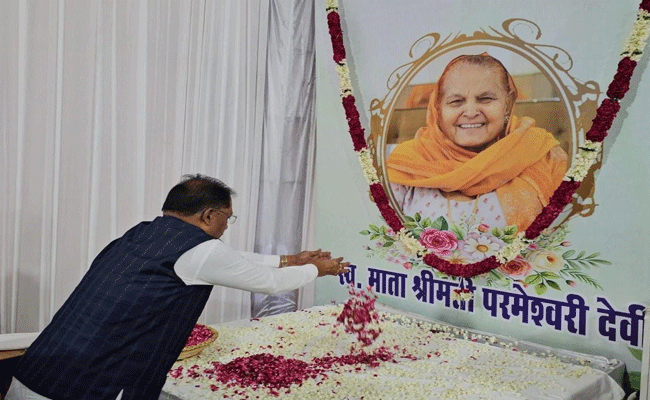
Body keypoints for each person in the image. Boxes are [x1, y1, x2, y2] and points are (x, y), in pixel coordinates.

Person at [8, 174, 349, 400]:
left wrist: (291, 259)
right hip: (85, 387)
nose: (227, 226)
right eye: (227, 217)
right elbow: (269, 285)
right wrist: (316, 269)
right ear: (209, 215)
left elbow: (229, 260)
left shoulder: (144, 233)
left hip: (37, 371)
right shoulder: (201, 250)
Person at [387, 54, 567, 249]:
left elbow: (567, 238)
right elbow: (383, 243)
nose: (471, 112)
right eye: (456, 101)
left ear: (507, 104)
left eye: (486, 99)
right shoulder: (408, 162)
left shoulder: (541, 153)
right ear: (438, 107)